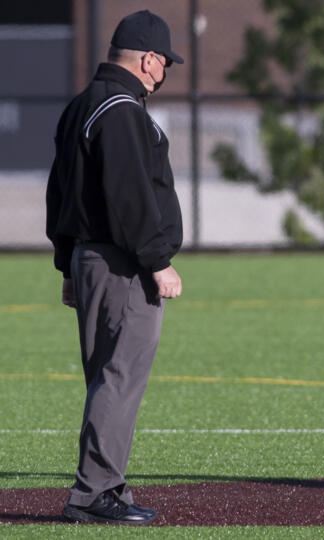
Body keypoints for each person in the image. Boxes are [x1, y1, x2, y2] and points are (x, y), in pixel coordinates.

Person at [45, 10, 185, 524]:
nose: (164, 71)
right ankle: (94, 494)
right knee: (118, 376)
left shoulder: (82, 104)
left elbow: (58, 192)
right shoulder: (122, 108)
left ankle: (107, 488)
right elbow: (129, 198)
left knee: (107, 376)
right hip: (121, 263)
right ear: (149, 59)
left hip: (89, 259)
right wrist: (157, 262)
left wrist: (66, 264)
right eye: (164, 62)